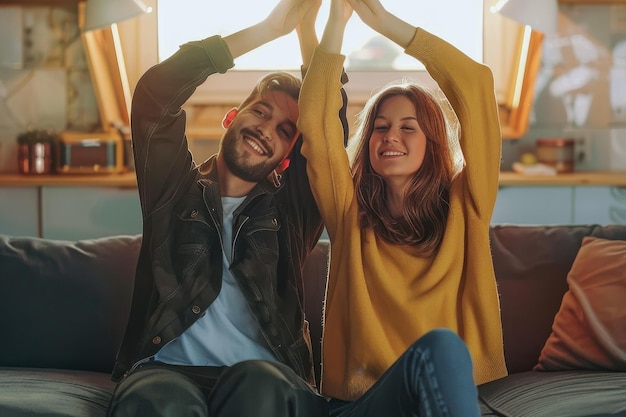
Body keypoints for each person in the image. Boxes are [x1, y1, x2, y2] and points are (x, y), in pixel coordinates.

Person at [106, 1, 334, 416]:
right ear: (231, 118)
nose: (266, 129)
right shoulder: (173, 191)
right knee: (155, 401)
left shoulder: (293, 212)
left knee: (258, 386)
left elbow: (327, 130)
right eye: (260, 112)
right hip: (167, 371)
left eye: (285, 131)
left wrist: (306, 34)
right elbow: (155, 95)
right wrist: (269, 29)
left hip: (265, 374)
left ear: (287, 158)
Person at [297, 0, 509, 415]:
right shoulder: (347, 212)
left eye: (408, 127)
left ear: (432, 142)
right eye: (380, 126)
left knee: (442, 349)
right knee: (442, 344)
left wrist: (387, 24)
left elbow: (476, 84)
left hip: (443, 398)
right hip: (363, 405)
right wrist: (337, 22)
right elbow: (318, 126)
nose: (390, 136)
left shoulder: (468, 206)